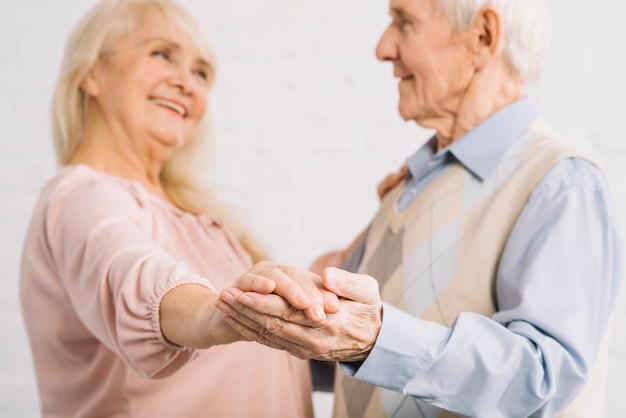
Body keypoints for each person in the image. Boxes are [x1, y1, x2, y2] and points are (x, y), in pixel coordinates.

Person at [216, 0, 623, 416]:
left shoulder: (561, 183)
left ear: (483, 36)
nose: (383, 48)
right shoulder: (408, 184)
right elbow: (350, 362)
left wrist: (374, 337)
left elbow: (542, 377)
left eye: (404, 23)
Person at [19, 0, 340, 416]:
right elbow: (127, 271)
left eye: (201, 72)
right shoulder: (81, 196)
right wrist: (215, 313)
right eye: (161, 54)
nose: (187, 83)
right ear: (92, 73)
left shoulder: (193, 213)